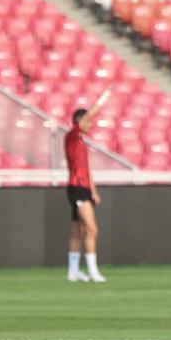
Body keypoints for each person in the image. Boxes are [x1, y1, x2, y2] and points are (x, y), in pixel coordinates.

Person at [65, 107, 106, 283]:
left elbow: (86, 170)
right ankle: (92, 270)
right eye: (88, 122)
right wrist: (103, 99)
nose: (90, 125)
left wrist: (94, 191)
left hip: (83, 188)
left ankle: (73, 271)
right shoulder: (72, 137)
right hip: (77, 188)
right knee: (92, 229)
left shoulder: (81, 143)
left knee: (78, 231)